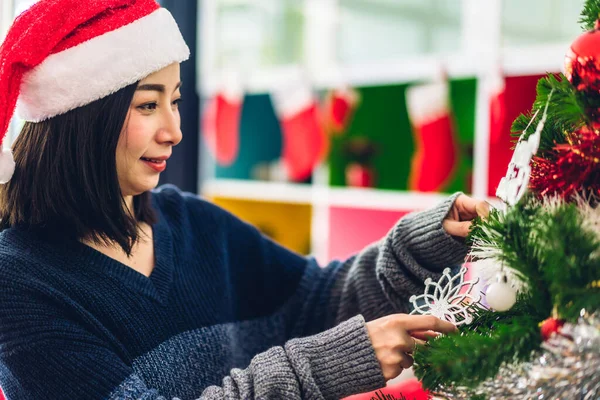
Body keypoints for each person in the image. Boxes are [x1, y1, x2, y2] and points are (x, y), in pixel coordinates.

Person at [0, 1, 489, 399]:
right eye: (148, 105)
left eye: (174, 100)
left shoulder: (193, 223)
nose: (175, 131)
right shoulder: (20, 283)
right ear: (82, 119)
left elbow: (321, 301)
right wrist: (331, 364)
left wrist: (424, 243)